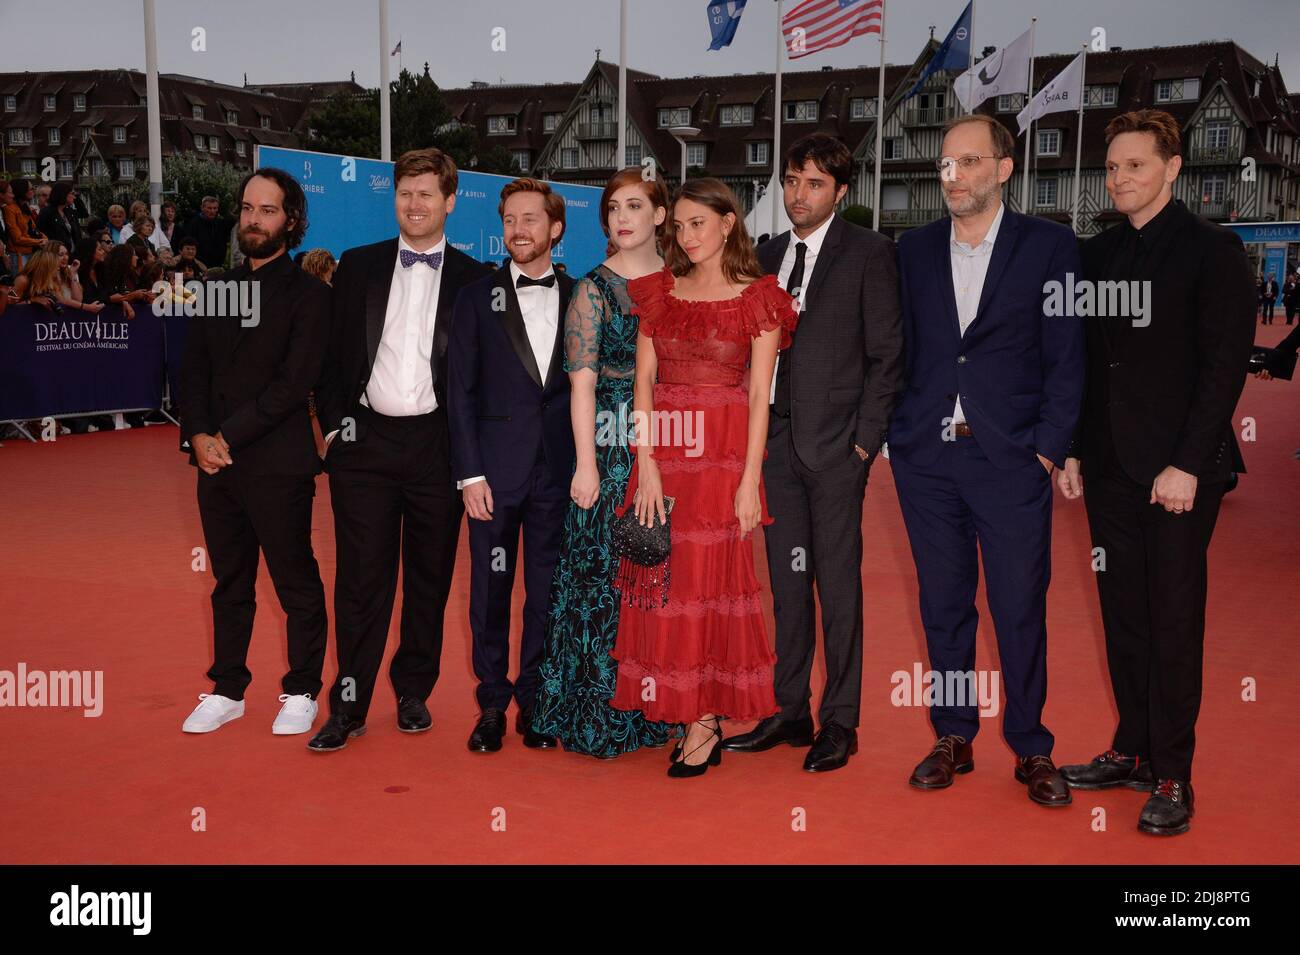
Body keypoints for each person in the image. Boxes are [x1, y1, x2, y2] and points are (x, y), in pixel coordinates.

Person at [1057, 110, 1256, 836]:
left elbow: (1223, 366)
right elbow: (1086, 363)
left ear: (1172, 169)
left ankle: (1174, 771)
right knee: (1124, 617)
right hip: (1109, 466)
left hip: (1176, 473)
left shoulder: (1212, 251)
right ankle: (1132, 748)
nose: (1120, 179)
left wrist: (1187, 464)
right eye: (1112, 168)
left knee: (1173, 622)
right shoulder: (1098, 253)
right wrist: (1076, 447)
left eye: (1135, 166)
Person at [890, 114, 1084, 807]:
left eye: (970, 162)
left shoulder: (1051, 247)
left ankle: (1033, 745)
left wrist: (1046, 450)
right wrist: (897, 435)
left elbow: (1067, 357)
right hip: (927, 460)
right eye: (946, 165)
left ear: (1004, 168)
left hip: (1011, 460)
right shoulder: (910, 250)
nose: (954, 176)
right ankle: (953, 734)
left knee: (1017, 605)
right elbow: (898, 349)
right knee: (942, 605)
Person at [724, 132, 904, 772]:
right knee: (788, 582)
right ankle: (789, 709)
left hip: (836, 451)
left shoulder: (870, 253)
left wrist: (863, 445)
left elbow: (888, 358)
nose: (800, 194)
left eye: (816, 184)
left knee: (838, 583)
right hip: (772, 447)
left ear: (842, 191)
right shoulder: (764, 255)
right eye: (793, 181)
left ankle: (842, 719)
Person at [611, 177, 797, 778]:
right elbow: (643, 382)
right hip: (664, 454)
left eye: (699, 223)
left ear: (727, 223)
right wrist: (646, 465)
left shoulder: (759, 297)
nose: (687, 236)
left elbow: (760, 397)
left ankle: (704, 720)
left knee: (708, 588)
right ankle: (689, 710)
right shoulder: (658, 292)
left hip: (722, 462)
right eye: (680, 225)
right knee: (667, 588)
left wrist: (750, 480)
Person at [309, 149, 491, 752]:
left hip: (438, 448)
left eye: (426, 194)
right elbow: (330, 360)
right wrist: (334, 428)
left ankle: (414, 689)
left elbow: (483, 378)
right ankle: (350, 702)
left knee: (430, 577)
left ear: (449, 201)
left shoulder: (474, 280)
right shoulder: (357, 267)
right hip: (364, 444)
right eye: (405, 193)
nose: (414, 204)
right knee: (361, 579)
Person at [177, 168, 331, 737]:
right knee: (229, 581)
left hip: (276, 461)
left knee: (294, 580)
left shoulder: (311, 295)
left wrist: (226, 437)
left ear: (290, 221)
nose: (253, 219)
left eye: (267, 210)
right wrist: (198, 437)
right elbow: (190, 373)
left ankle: (302, 688)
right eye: (246, 208)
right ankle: (228, 688)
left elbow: (293, 386)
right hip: (215, 464)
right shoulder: (216, 287)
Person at [530, 167, 675, 758]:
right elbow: (581, 385)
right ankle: (596, 712)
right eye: (613, 207)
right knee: (601, 583)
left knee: (665, 584)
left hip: (678, 439)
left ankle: (665, 708)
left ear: (659, 216)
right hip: (612, 444)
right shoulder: (593, 288)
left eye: (635, 206)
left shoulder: (683, 283)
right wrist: (585, 465)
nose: (620, 217)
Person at [448, 177, 577, 754]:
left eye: (531, 220)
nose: (518, 230)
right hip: (494, 477)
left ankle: (537, 700)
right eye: (510, 220)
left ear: (555, 228)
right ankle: (493, 704)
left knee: (547, 592)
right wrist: (470, 474)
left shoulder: (583, 297)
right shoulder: (479, 296)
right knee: (490, 592)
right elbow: (461, 393)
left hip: (561, 474)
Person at [182, 195, 236, 269]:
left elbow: (233, 219)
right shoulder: (193, 224)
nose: (212, 211)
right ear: (202, 208)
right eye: (209, 208)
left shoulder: (220, 224)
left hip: (217, 266)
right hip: (198, 266)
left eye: (215, 208)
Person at [4, 179, 46, 268]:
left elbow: (34, 228)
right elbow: (17, 238)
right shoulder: (10, 209)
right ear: (22, 191)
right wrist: (39, 241)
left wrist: (44, 238)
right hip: (18, 254)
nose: (33, 191)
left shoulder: (25, 207)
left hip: (30, 252)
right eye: (31, 189)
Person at [36, 183, 82, 249]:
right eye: (72, 193)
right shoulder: (47, 212)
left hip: (71, 254)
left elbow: (77, 234)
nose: (74, 197)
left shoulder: (69, 211)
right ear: (63, 194)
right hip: (54, 254)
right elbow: (40, 233)